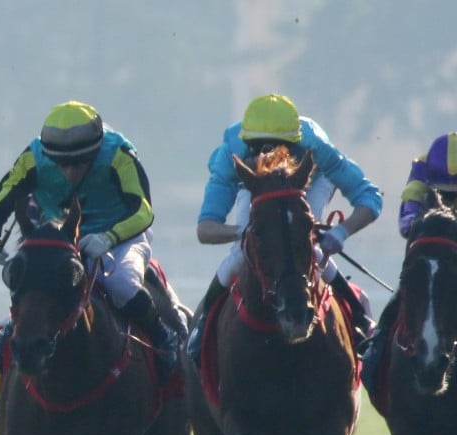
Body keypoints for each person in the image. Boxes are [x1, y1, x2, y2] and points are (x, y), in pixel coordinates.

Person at [0, 100, 181, 381]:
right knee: (33, 278)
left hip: (123, 233)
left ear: (96, 150)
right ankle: (14, 329)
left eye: (80, 162)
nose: (71, 171)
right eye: (62, 164)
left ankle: (163, 336)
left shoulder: (118, 154)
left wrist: (109, 237)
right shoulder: (32, 159)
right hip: (63, 237)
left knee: (121, 282)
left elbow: (143, 210)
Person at [188, 93, 382, 365]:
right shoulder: (230, 154)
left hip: (310, 180)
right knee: (241, 252)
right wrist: (243, 233)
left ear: (296, 143)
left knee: (308, 246)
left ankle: (360, 318)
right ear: (247, 146)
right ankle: (203, 323)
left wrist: (341, 232)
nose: (270, 157)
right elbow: (205, 229)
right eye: (259, 149)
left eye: (280, 148)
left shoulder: (316, 147)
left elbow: (370, 198)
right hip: (255, 185)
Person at [360, 131, 457, 394]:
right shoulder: (422, 170)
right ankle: (374, 360)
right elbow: (407, 222)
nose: (451, 203)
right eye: (445, 196)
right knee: (395, 309)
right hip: (427, 269)